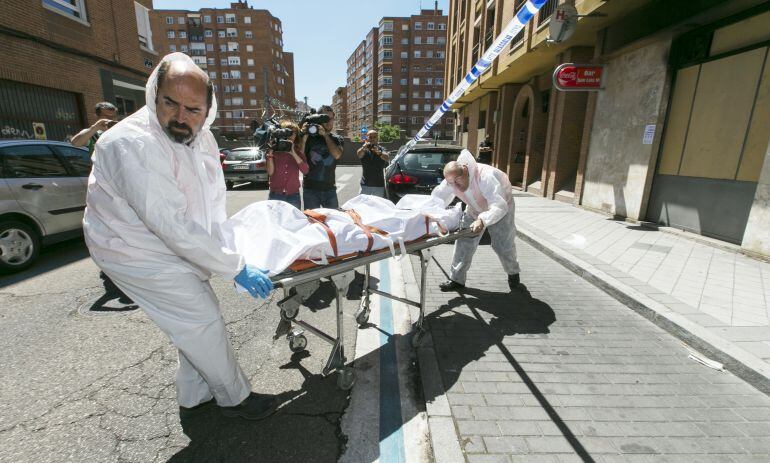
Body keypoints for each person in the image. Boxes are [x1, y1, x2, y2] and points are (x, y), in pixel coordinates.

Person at [83, 53, 278, 421]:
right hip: (133, 248)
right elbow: (168, 223)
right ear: (154, 95)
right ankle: (235, 399)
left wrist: (229, 255)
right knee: (200, 315)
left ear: (208, 110)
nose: (180, 116)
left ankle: (193, 395)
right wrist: (233, 268)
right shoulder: (132, 143)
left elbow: (212, 204)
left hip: (171, 242)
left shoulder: (201, 139)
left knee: (191, 321)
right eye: (170, 103)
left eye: (193, 108)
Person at [431, 149, 521, 292]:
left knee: (503, 245)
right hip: (474, 209)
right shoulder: (452, 179)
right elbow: (438, 197)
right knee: (463, 243)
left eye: (457, 181)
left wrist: (483, 220)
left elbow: (499, 205)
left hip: (501, 209)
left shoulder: (485, 176)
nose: (455, 185)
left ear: (465, 170)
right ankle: (456, 279)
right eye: (451, 183)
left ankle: (513, 274)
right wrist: (429, 214)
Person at [300, 105, 344, 209]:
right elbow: (300, 156)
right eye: (325, 118)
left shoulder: (337, 139)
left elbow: (337, 155)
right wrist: (304, 135)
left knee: (332, 223)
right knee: (312, 222)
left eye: (331, 118)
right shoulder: (308, 137)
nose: (328, 121)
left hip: (330, 189)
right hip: (310, 189)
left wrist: (325, 135)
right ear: (318, 119)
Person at [265, 120, 308, 209]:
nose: (291, 136)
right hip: (276, 195)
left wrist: (293, 153)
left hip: (293, 196)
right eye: (288, 132)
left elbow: (305, 170)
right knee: (276, 222)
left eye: (294, 133)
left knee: (294, 222)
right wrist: (270, 153)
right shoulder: (274, 151)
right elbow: (270, 173)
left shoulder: (297, 151)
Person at [356, 129, 389, 197]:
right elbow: (359, 154)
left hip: (379, 185)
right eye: (370, 137)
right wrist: (364, 147)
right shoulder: (364, 149)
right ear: (367, 138)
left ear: (377, 138)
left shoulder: (381, 149)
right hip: (365, 185)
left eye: (374, 137)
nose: (372, 139)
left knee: (377, 206)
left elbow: (387, 157)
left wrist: (378, 152)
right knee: (362, 205)